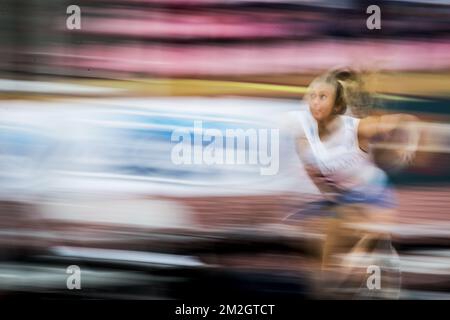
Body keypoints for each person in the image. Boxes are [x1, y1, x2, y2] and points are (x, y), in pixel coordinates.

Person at [290, 69, 420, 298]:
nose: (316, 103)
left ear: (338, 103)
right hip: (343, 199)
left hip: (373, 197)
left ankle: (378, 274)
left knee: (357, 260)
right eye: (312, 96)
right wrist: (328, 195)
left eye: (323, 97)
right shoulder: (303, 135)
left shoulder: (358, 127)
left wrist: (406, 148)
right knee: (324, 264)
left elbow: (407, 122)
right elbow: (313, 172)